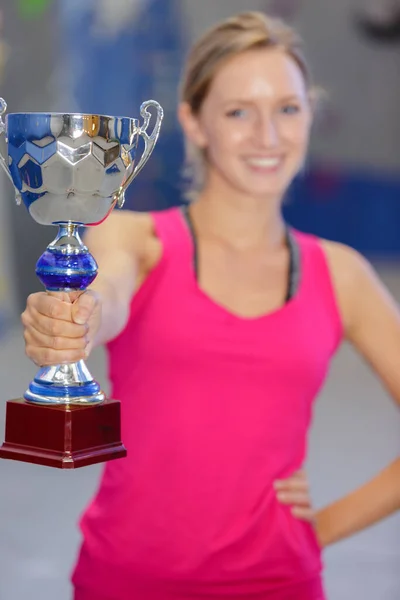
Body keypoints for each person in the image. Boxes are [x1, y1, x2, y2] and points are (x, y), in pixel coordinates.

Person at [21, 11, 400, 600]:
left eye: (287, 109)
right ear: (194, 122)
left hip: (279, 584)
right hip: (124, 582)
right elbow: (108, 293)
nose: (268, 136)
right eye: (238, 111)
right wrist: (78, 318)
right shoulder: (132, 237)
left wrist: (319, 529)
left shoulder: (341, 274)